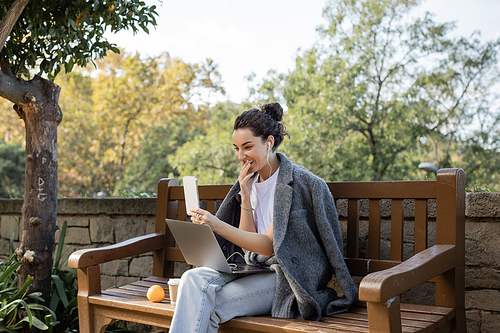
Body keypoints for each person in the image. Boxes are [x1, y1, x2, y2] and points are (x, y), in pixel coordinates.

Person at [168, 103, 358, 333]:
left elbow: (268, 246)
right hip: (251, 268)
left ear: (268, 142)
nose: (241, 156)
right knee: (192, 278)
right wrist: (246, 198)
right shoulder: (249, 183)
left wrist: (216, 224)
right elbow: (247, 244)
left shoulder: (301, 183)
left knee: (205, 305)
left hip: (285, 278)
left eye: (247, 147)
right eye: (236, 148)